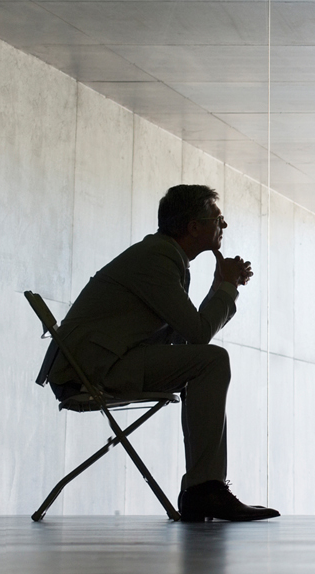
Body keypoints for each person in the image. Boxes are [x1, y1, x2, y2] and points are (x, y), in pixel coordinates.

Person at [41, 184, 279, 522]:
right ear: (194, 227)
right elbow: (198, 335)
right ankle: (204, 490)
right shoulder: (158, 258)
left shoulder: (165, 257)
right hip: (92, 370)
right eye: (218, 219)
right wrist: (226, 287)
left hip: (103, 362)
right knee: (213, 361)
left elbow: (189, 339)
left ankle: (203, 489)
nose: (223, 225)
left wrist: (220, 286)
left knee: (208, 361)